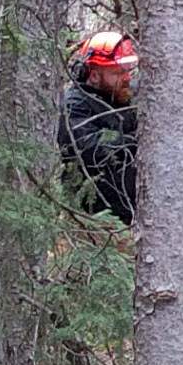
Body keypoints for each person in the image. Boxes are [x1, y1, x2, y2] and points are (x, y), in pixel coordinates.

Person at [58, 30, 137, 223]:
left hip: (132, 216)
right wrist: (136, 141)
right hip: (94, 221)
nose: (126, 78)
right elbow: (90, 150)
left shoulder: (122, 97)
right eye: (118, 72)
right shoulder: (75, 105)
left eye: (127, 70)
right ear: (93, 75)